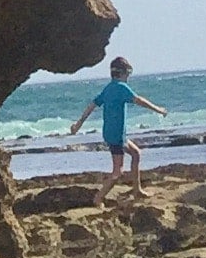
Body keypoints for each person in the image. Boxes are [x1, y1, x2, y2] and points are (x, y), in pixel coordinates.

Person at [69, 56, 167, 195]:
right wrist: (158, 109)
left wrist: (79, 124)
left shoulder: (108, 88)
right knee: (117, 172)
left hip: (112, 133)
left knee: (136, 153)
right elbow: (139, 100)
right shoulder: (121, 87)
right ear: (122, 72)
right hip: (116, 135)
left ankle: (137, 189)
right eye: (128, 73)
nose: (129, 76)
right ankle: (98, 198)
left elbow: (92, 105)